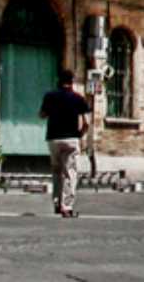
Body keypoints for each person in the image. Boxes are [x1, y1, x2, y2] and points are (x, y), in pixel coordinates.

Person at [38, 69, 93, 218]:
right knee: (70, 173)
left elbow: (42, 115)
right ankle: (66, 206)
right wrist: (80, 133)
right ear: (72, 81)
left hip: (53, 138)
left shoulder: (50, 96)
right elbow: (87, 122)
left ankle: (56, 203)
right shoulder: (78, 98)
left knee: (56, 171)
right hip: (71, 139)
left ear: (58, 80)